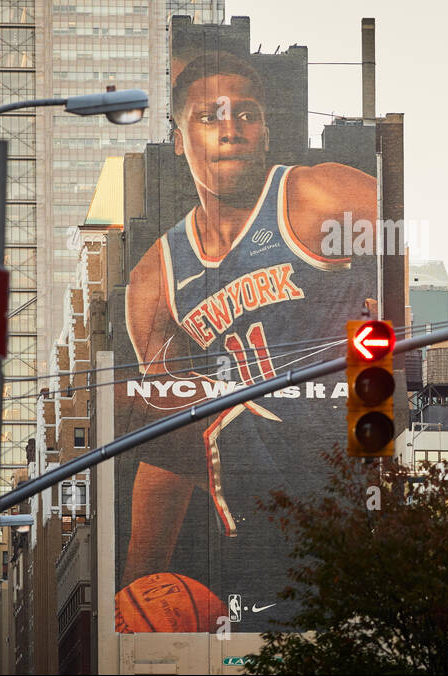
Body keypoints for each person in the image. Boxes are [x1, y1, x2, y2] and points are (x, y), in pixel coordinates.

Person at [118, 50, 376, 631]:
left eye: (247, 114)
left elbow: (403, 263)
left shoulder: (318, 196)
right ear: (179, 138)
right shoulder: (156, 280)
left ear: (266, 130)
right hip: (260, 530)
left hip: (356, 479)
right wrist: (136, 585)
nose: (231, 129)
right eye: (210, 116)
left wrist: (387, 352)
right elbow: (171, 441)